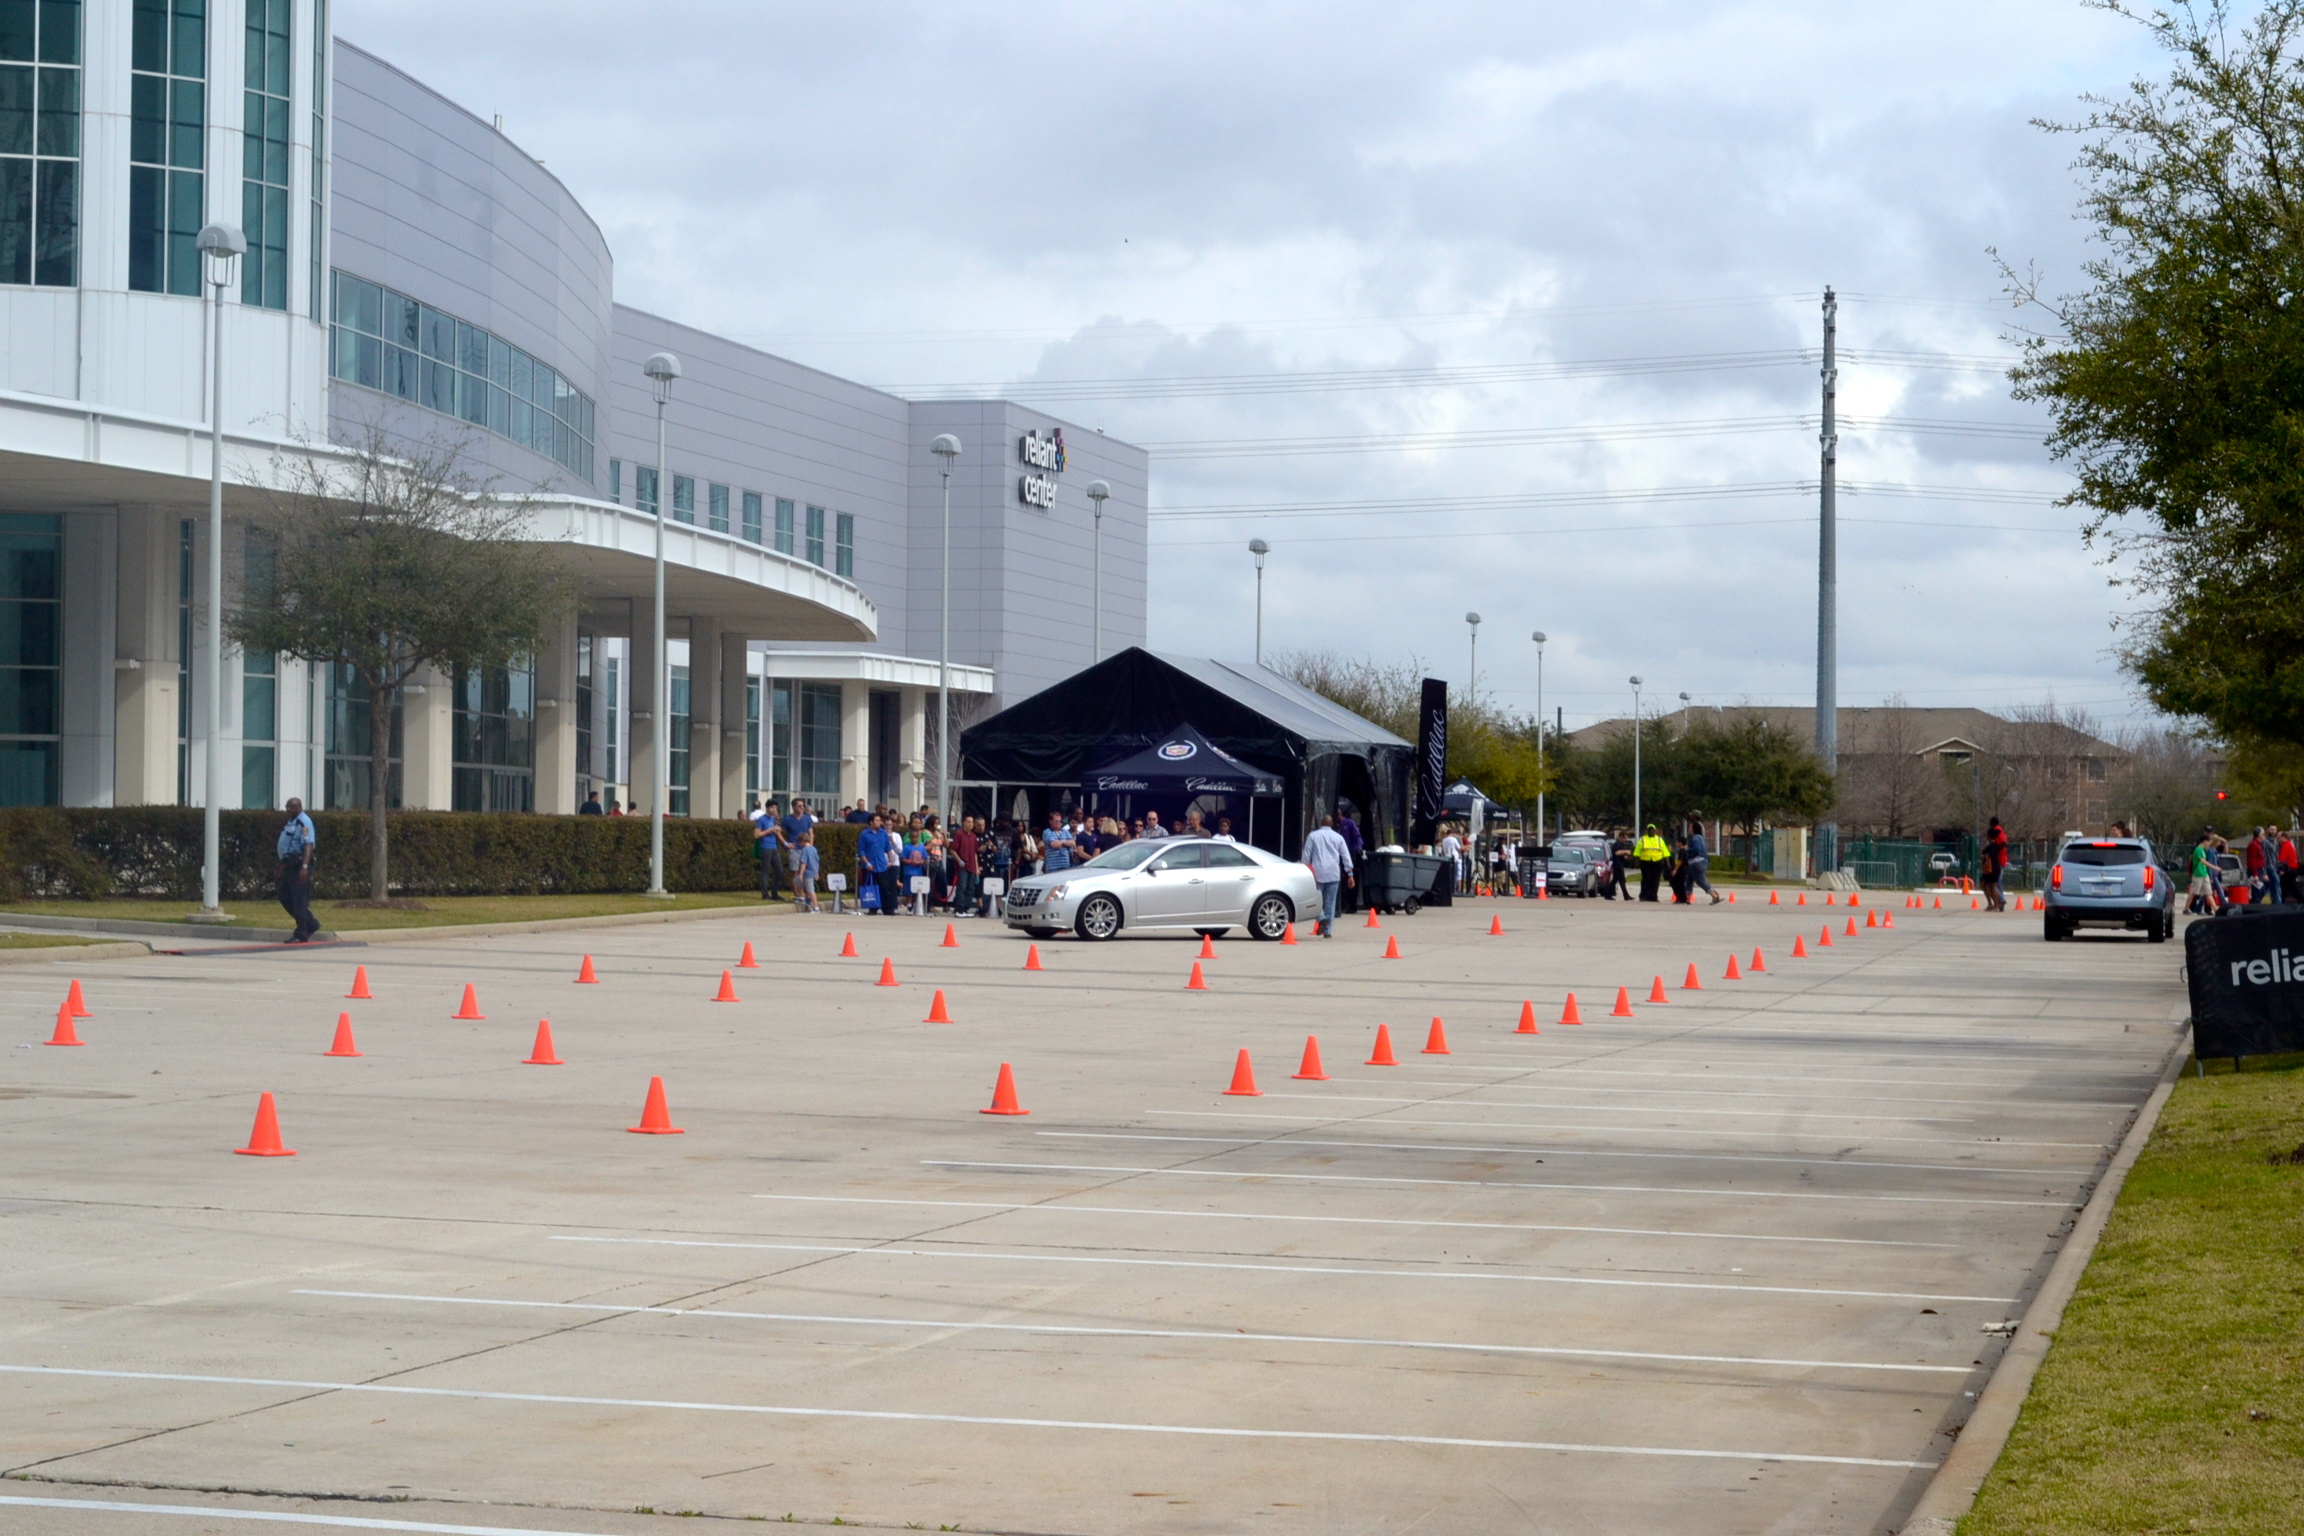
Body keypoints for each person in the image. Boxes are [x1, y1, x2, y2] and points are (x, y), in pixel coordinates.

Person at [1302, 813, 1355, 938]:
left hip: (1317, 874)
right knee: (1330, 904)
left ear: (1321, 823)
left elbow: (1306, 855)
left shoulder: (1313, 836)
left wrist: (1304, 869)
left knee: (1314, 901)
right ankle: (1328, 931)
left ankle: (1321, 919)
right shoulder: (1338, 838)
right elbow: (1346, 856)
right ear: (1332, 824)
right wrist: (1350, 875)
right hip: (1333, 874)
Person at [276, 797, 318, 942]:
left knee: (299, 900)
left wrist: (304, 867)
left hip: (299, 866)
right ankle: (311, 923)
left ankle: (301, 933)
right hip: (289, 865)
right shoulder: (291, 821)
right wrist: (281, 864)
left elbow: (308, 845)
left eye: (291, 807)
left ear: (299, 807)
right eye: (287, 807)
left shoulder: (304, 822)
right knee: (285, 897)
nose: (288, 810)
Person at [858, 813, 900, 916]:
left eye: (880, 820)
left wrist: (890, 861)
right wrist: (867, 863)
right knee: (871, 887)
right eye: (877, 820)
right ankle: (873, 908)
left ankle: (887, 909)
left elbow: (888, 848)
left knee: (885, 888)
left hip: (881, 865)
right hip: (869, 866)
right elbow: (861, 851)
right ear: (871, 822)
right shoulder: (864, 834)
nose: (879, 823)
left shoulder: (883, 833)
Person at [751, 796, 785, 900]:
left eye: (775, 808)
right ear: (767, 808)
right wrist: (769, 830)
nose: (774, 809)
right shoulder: (762, 819)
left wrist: (784, 841)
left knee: (779, 871)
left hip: (774, 846)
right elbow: (757, 834)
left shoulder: (773, 819)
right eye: (772, 807)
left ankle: (775, 892)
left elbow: (776, 832)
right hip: (765, 847)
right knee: (765, 871)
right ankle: (765, 894)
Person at [1337, 807, 1366, 912]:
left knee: (1350, 876)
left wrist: (1358, 847)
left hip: (1350, 852)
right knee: (1343, 878)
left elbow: (1358, 837)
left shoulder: (1348, 823)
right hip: (1340, 854)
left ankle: (1351, 904)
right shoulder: (1336, 826)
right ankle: (1344, 903)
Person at [1632, 823, 1670, 902]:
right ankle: (1643, 896)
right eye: (1650, 829)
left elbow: (1665, 852)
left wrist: (1667, 863)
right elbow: (1637, 852)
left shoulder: (1660, 840)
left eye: (1652, 829)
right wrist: (1637, 862)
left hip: (1657, 862)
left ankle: (1653, 896)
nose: (1651, 831)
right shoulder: (1642, 840)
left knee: (1655, 880)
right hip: (1645, 862)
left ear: (1655, 831)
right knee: (1646, 879)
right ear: (1647, 830)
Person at [1684, 825, 1721, 904]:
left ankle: (1714, 896)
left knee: (1700, 880)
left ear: (1693, 829)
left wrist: (1687, 849)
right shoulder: (1699, 838)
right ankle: (1687, 899)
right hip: (1694, 863)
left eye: (1690, 827)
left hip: (1696, 862)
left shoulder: (1695, 838)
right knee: (1689, 879)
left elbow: (1697, 849)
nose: (1689, 828)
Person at [953, 816, 981, 916]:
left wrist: (977, 867)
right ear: (964, 823)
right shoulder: (959, 834)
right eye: (968, 822)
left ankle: (965, 908)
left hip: (972, 865)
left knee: (970, 888)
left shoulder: (973, 836)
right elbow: (952, 850)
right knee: (962, 886)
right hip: (963, 865)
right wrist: (959, 861)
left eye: (972, 822)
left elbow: (975, 853)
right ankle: (959, 909)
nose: (970, 824)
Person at [1980, 816, 2009, 912]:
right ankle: (1998, 902)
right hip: (1999, 859)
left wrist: (1996, 850)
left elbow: (2004, 843)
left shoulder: (1997, 831)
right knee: (1993, 884)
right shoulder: (1998, 831)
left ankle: (2000, 900)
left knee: (1996, 883)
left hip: (1999, 860)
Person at [2188, 831, 2220, 914]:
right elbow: (2203, 861)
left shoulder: (2203, 850)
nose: (2209, 843)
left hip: (2204, 873)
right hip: (2198, 874)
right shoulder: (2198, 850)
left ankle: (2216, 909)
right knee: (2194, 893)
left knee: (2208, 893)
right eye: (2208, 841)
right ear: (2204, 841)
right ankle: (2186, 908)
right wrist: (2214, 867)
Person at [792, 828, 821, 913]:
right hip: (813, 871)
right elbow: (817, 861)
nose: (800, 844)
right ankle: (803, 898)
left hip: (808, 872)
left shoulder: (805, 850)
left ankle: (816, 907)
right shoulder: (813, 849)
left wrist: (801, 874)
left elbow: (803, 863)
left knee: (811, 890)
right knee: (797, 881)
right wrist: (817, 872)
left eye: (800, 842)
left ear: (803, 841)